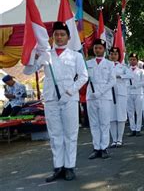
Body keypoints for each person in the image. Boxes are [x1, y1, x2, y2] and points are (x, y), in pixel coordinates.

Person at [23, 21, 88, 182]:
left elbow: (84, 76)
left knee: (70, 134)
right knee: (55, 134)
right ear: (52, 37)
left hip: (69, 99)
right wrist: (34, 57)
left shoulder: (76, 56)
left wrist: (70, 91)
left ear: (68, 37)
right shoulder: (47, 55)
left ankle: (69, 167)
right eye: (56, 35)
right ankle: (58, 167)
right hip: (51, 98)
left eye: (62, 34)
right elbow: (28, 71)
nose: (59, 37)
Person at [86, 39, 116, 159]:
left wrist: (100, 92)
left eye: (100, 48)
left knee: (104, 123)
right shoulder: (87, 64)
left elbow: (112, 81)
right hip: (91, 96)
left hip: (104, 96)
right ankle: (96, 148)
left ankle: (104, 148)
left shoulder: (109, 64)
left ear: (104, 50)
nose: (97, 50)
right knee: (94, 123)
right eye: (95, 48)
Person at [109, 47, 133, 148]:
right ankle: (114, 140)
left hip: (121, 93)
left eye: (115, 54)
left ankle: (120, 139)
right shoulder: (106, 65)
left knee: (121, 116)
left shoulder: (123, 66)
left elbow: (130, 75)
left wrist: (120, 76)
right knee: (111, 117)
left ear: (119, 56)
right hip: (109, 93)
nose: (113, 56)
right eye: (112, 54)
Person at [127, 53, 144, 136]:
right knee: (130, 112)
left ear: (137, 61)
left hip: (138, 92)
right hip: (128, 93)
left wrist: (136, 85)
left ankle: (138, 129)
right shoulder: (126, 70)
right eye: (131, 59)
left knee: (139, 111)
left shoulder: (141, 71)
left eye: (134, 59)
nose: (132, 61)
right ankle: (133, 129)